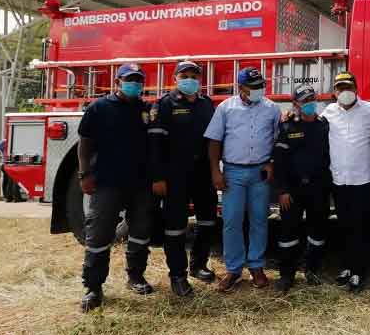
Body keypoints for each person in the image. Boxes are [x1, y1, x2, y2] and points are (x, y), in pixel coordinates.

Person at [77, 63, 154, 312]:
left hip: (140, 183)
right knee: (99, 233)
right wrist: (84, 174)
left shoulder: (146, 108)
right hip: (107, 181)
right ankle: (94, 287)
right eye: (129, 80)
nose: (134, 84)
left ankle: (135, 277)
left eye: (138, 80)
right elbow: (85, 143)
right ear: (117, 82)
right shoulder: (99, 108)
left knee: (141, 231)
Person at [205, 67, 281, 293]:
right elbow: (214, 141)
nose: (259, 91)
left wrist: (272, 162)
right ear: (241, 88)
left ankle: (257, 266)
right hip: (233, 172)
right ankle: (234, 269)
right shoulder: (226, 108)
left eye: (261, 86)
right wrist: (215, 172)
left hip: (260, 172)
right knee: (232, 221)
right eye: (253, 87)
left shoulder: (271, 109)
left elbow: (279, 138)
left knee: (259, 220)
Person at [148, 61, 218, 297]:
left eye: (194, 76)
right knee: (176, 228)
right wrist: (158, 177)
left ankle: (198, 265)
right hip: (175, 175)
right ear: (175, 78)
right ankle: (177, 276)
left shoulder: (206, 104)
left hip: (203, 173)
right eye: (185, 75)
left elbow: (215, 140)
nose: (190, 79)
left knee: (207, 222)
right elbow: (155, 145)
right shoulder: (165, 105)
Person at [320, 71, 370, 293]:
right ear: (334, 91)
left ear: (356, 89)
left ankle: (359, 271)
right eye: (340, 88)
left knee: (361, 227)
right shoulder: (328, 112)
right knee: (344, 226)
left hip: (362, 180)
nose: (344, 92)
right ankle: (346, 266)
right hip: (339, 180)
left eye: (348, 87)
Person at [273, 84, 331, 293]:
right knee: (288, 233)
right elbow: (279, 163)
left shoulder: (324, 125)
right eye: (304, 100)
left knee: (318, 231)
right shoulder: (287, 127)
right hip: (293, 190)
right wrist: (282, 190)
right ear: (296, 104)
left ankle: (312, 269)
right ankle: (286, 275)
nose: (309, 103)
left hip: (318, 188)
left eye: (312, 99)